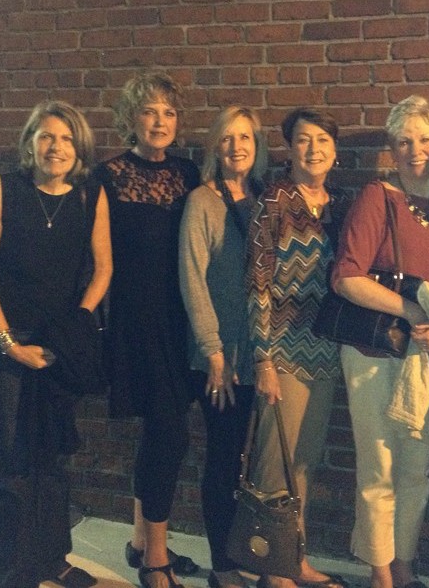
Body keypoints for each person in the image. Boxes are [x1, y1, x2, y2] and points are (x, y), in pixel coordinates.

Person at [331, 95, 429, 588]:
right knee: (379, 467)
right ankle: (380, 574)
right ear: (392, 148)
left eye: (425, 140)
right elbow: (346, 277)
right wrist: (411, 310)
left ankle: (404, 565)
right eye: (404, 141)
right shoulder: (378, 197)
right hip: (374, 352)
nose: (415, 151)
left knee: (416, 469)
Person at [0, 101, 111, 588]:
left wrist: (77, 325)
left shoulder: (90, 196)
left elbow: (104, 269)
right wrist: (10, 344)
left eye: (67, 139)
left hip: (58, 349)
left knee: (52, 460)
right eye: (47, 136)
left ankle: (53, 560)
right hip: (9, 347)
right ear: (30, 142)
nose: (57, 147)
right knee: (13, 462)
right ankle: (14, 573)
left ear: (79, 149)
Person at [95, 72, 202, 588]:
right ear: (131, 119)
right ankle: (156, 559)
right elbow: (95, 254)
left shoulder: (189, 173)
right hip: (136, 322)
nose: (160, 121)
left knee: (161, 433)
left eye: (169, 112)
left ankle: (142, 541)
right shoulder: (108, 176)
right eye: (149, 111)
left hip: (181, 319)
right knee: (169, 434)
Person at [247, 107, 350, 588]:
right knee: (275, 463)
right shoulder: (274, 200)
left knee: (303, 463)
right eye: (304, 140)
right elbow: (257, 285)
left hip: (325, 350)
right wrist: (263, 359)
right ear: (290, 149)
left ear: (335, 151)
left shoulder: (339, 205)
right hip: (283, 351)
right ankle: (273, 571)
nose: (314, 149)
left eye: (323, 140)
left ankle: (295, 559)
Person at [178, 107, 268, 588]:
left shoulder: (263, 199)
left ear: (257, 146)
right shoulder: (202, 201)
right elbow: (192, 279)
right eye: (228, 138)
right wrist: (213, 352)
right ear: (216, 146)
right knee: (224, 459)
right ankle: (222, 566)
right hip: (221, 359)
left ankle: (240, 554)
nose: (237, 147)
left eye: (245, 137)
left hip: (258, 356)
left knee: (246, 460)